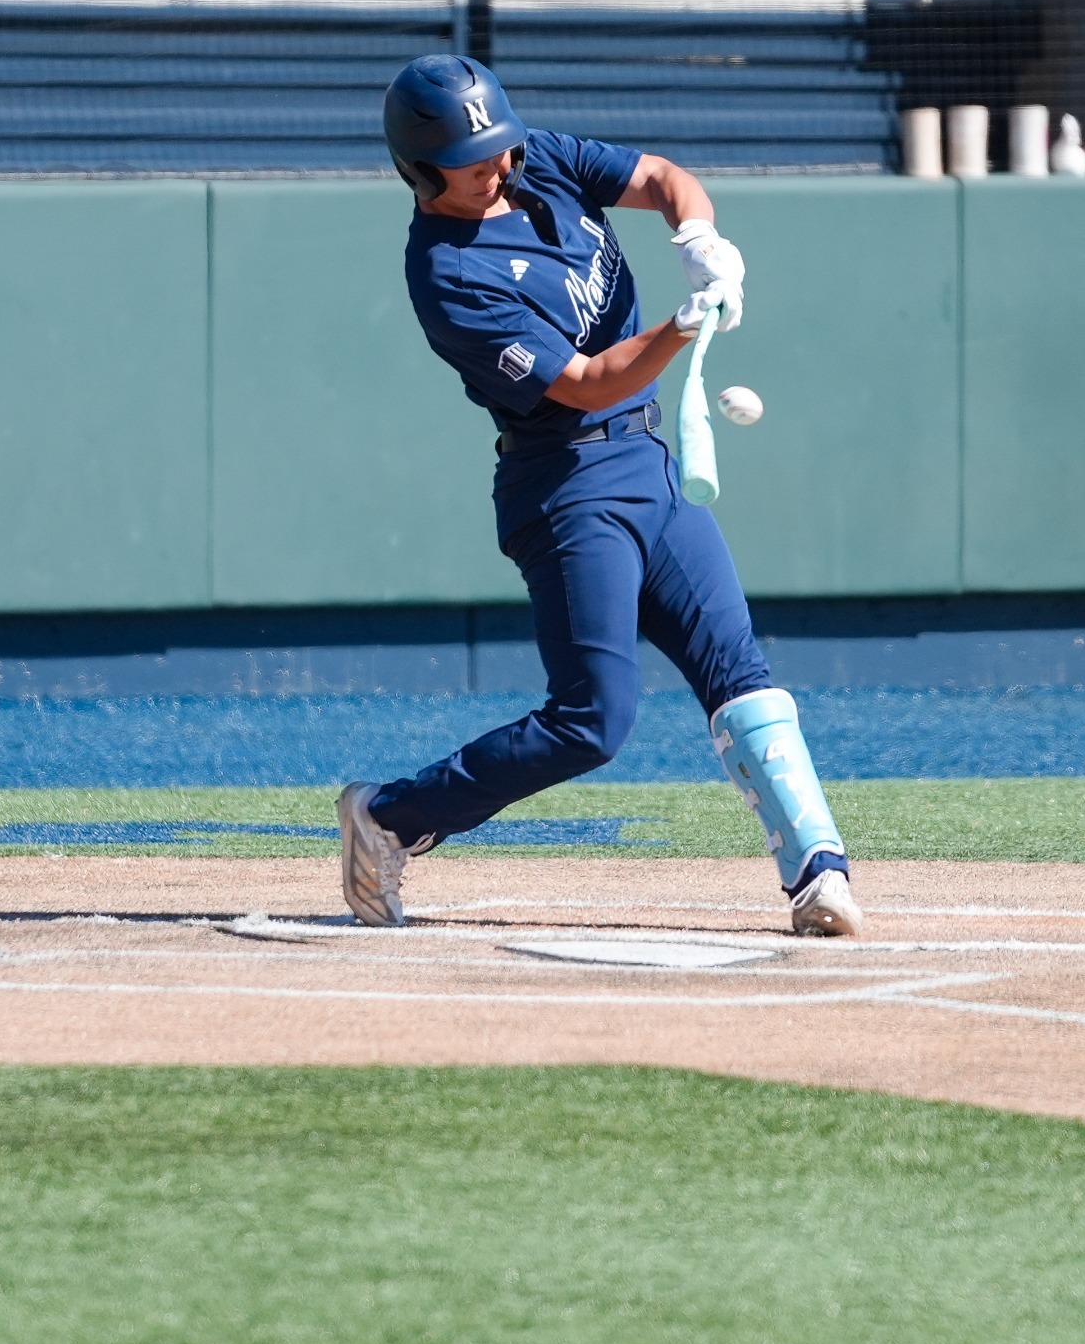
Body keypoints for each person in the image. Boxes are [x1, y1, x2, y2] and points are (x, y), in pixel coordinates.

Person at [335, 55, 862, 938]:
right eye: (471, 162)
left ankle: (819, 871)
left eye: (500, 149)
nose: (498, 167)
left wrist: (700, 240)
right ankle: (390, 817)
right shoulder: (447, 274)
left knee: (739, 671)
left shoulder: (529, 157)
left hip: (648, 462)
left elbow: (659, 179)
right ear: (421, 171)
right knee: (590, 722)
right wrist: (682, 325)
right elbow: (586, 384)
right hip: (566, 487)